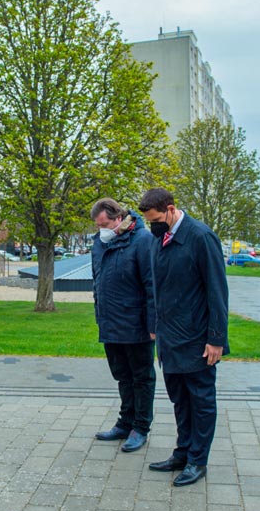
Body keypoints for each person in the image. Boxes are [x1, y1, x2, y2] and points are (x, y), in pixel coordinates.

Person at [138, 187, 229, 486]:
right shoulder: (159, 239)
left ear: (171, 209)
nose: (153, 226)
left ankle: (197, 460)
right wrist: (154, 324)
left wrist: (216, 338)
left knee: (200, 401)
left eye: (156, 220)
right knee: (180, 400)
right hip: (169, 338)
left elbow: (217, 290)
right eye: (149, 221)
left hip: (197, 338)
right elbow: (155, 287)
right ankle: (183, 452)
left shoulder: (201, 237)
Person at [90, 198, 156, 453]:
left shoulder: (142, 240)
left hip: (136, 325)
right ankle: (125, 422)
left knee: (141, 378)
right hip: (110, 323)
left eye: (104, 224)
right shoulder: (100, 243)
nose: (101, 230)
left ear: (118, 218)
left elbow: (151, 285)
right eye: (98, 226)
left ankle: (140, 427)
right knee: (122, 376)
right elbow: (98, 281)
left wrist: (152, 323)